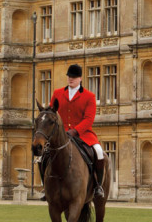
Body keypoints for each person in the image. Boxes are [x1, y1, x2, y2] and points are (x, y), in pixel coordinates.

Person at [42, 63, 105, 199]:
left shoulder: (89, 96)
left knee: (99, 153)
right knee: (44, 155)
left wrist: (75, 131)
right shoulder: (58, 93)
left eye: (74, 77)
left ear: (80, 78)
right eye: (69, 76)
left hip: (83, 134)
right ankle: (45, 188)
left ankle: (98, 187)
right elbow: (52, 112)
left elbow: (89, 119)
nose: (71, 79)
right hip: (61, 134)